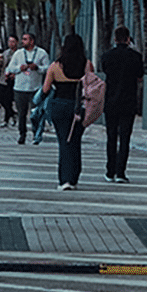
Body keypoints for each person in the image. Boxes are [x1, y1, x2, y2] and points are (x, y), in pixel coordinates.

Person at [41, 31, 94, 190]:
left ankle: (64, 179)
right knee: (76, 141)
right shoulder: (87, 64)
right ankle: (74, 176)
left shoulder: (55, 66)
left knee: (63, 141)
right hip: (79, 106)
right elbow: (91, 87)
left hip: (60, 105)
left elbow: (45, 88)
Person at [101, 26, 144, 183]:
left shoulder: (107, 56)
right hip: (128, 100)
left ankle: (109, 170)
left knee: (111, 136)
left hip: (111, 100)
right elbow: (140, 76)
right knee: (125, 137)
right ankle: (121, 172)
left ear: (114, 39)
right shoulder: (136, 57)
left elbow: (105, 71)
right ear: (128, 39)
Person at [4, 30, 50, 144]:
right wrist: (20, 68)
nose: (23, 41)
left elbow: (47, 68)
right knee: (21, 113)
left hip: (35, 88)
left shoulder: (41, 53)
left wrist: (37, 68)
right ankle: (22, 134)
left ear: (32, 41)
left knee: (36, 113)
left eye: (25, 39)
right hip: (20, 88)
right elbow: (10, 67)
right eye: (23, 39)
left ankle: (36, 134)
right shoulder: (18, 53)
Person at [0, 36, 18, 127]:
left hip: (12, 79)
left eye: (13, 41)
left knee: (8, 99)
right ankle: (12, 114)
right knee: (1, 98)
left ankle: (6, 119)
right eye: (9, 41)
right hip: (3, 78)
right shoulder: (5, 53)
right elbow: (0, 67)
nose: (11, 43)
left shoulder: (18, 53)